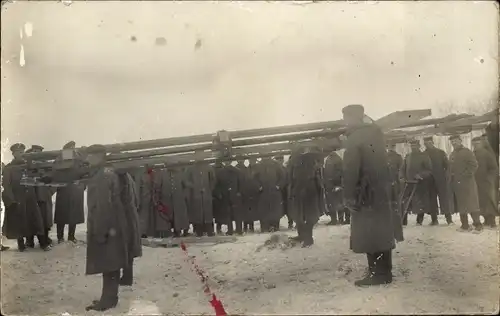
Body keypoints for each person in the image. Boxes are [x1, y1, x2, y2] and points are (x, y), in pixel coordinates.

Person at [341, 104, 397, 287]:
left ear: (353, 118)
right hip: (380, 190)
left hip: (364, 193)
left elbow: (351, 169)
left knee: (369, 233)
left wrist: (348, 196)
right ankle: (383, 270)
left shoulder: (355, 138)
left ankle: (378, 274)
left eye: (346, 118)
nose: (345, 122)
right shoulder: (375, 133)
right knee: (380, 231)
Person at [84, 144, 139, 311]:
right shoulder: (111, 172)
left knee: (109, 264)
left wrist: (100, 231)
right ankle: (109, 298)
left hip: (107, 225)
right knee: (112, 263)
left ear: (99, 157)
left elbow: (102, 206)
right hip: (115, 223)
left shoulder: (102, 176)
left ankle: (107, 300)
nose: (87, 159)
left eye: (90, 156)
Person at [2, 143, 47, 252]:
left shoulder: (29, 166)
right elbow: (6, 185)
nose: (21, 154)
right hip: (18, 199)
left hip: (31, 198)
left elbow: (37, 181)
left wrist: (38, 197)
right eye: (18, 153)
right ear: (13, 154)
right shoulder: (9, 168)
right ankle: (21, 245)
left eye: (22, 152)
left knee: (36, 220)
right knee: (19, 222)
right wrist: (11, 200)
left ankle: (43, 244)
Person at [288, 146, 324, 247]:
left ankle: (308, 238)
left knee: (309, 215)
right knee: (299, 214)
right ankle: (302, 236)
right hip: (298, 189)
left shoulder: (311, 158)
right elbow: (290, 176)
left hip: (309, 189)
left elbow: (317, 171)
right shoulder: (293, 160)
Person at [448, 134, 483, 233]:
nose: (454, 143)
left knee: (472, 204)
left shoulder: (467, 152)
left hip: (467, 184)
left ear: (460, 141)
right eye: (452, 141)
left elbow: (474, 165)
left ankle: (478, 225)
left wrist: (464, 175)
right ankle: (465, 225)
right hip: (457, 185)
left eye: (455, 140)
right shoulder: (453, 154)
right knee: (461, 205)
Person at [54, 141, 85, 243]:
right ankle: (60, 237)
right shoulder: (60, 159)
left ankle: (71, 237)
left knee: (73, 215)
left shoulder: (78, 158)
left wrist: (82, 186)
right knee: (61, 215)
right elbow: (55, 173)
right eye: (70, 148)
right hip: (64, 190)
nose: (72, 150)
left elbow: (83, 172)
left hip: (75, 190)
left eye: (73, 148)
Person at [25, 145, 55, 248]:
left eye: (38, 152)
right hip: (31, 198)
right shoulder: (28, 166)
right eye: (34, 152)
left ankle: (45, 239)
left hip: (44, 198)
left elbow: (53, 181)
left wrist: (49, 192)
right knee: (31, 219)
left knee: (45, 220)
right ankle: (29, 241)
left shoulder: (47, 167)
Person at [400, 139, 434, 225]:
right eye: (412, 146)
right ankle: (404, 221)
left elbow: (429, 170)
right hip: (408, 183)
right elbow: (402, 169)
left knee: (420, 202)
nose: (413, 147)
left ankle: (419, 221)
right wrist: (402, 177)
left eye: (415, 145)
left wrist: (421, 175)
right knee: (405, 202)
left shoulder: (424, 156)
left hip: (420, 184)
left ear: (419, 146)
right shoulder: (408, 156)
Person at [422, 136, 454, 225]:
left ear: (432, 142)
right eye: (426, 143)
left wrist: (447, 176)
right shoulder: (423, 154)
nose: (428, 145)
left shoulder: (440, 153)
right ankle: (434, 220)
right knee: (432, 200)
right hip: (429, 181)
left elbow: (447, 166)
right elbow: (422, 168)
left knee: (444, 199)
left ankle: (449, 219)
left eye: (429, 143)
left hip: (441, 180)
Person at [185, 153, 216, 237]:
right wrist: (194, 186)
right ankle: (199, 232)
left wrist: (209, 188)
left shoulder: (209, 167)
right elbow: (186, 181)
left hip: (206, 195)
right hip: (196, 195)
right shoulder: (190, 169)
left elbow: (213, 179)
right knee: (197, 214)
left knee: (208, 214)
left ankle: (210, 231)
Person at [253, 156, 286, 232]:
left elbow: (283, 177)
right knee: (264, 210)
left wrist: (278, 186)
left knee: (275, 210)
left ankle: (275, 226)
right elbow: (254, 178)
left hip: (274, 191)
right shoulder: (258, 166)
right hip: (263, 192)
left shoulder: (276, 165)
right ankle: (264, 227)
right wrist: (259, 187)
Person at [472, 136, 498, 229]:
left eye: (477, 143)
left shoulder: (487, 154)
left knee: (489, 201)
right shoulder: (473, 154)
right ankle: (486, 220)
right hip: (477, 182)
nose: (475, 145)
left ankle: (492, 222)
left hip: (487, 183)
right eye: (474, 144)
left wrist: (489, 178)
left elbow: (494, 168)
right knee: (480, 202)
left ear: (481, 144)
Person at [212, 161, 245, 235]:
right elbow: (217, 185)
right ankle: (230, 230)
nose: (227, 163)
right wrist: (219, 194)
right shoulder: (220, 173)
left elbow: (241, 182)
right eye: (225, 161)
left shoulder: (237, 171)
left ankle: (239, 230)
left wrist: (239, 192)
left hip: (235, 195)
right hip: (225, 196)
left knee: (237, 214)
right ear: (224, 162)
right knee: (228, 214)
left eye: (228, 161)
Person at [159, 167, 190, 237]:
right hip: (168, 200)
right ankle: (176, 231)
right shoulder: (163, 175)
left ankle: (185, 230)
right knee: (171, 216)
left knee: (181, 216)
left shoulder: (180, 174)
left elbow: (186, 185)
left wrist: (184, 195)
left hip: (179, 199)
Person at [323, 150, 345, 225]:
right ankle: (336, 219)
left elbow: (340, 172)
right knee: (333, 202)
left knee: (337, 202)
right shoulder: (329, 159)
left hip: (334, 184)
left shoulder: (336, 159)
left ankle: (338, 219)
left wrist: (338, 184)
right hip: (330, 184)